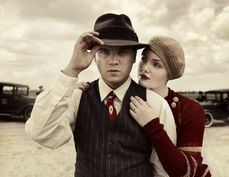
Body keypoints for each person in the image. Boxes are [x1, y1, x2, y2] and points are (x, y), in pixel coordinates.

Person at [25, 13, 176, 177]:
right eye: (104, 51)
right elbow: (42, 134)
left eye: (122, 52)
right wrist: (72, 69)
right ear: (94, 56)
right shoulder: (78, 97)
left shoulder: (155, 104)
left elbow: (162, 170)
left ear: (133, 57)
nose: (113, 60)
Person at [128, 36, 211, 177]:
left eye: (157, 65)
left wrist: (152, 125)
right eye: (144, 59)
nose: (145, 68)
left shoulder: (190, 110)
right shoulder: (126, 98)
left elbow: (184, 172)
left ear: (169, 73)